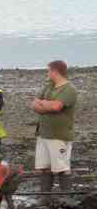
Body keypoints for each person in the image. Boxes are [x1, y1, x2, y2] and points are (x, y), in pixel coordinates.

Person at [31, 60, 78, 196]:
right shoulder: (49, 86)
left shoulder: (70, 89)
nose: (47, 73)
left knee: (61, 168)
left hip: (59, 135)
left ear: (55, 71)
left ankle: (66, 199)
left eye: (48, 71)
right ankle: (45, 198)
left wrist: (43, 104)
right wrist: (46, 105)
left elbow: (57, 107)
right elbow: (34, 104)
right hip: (43, 134)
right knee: (44, 168)